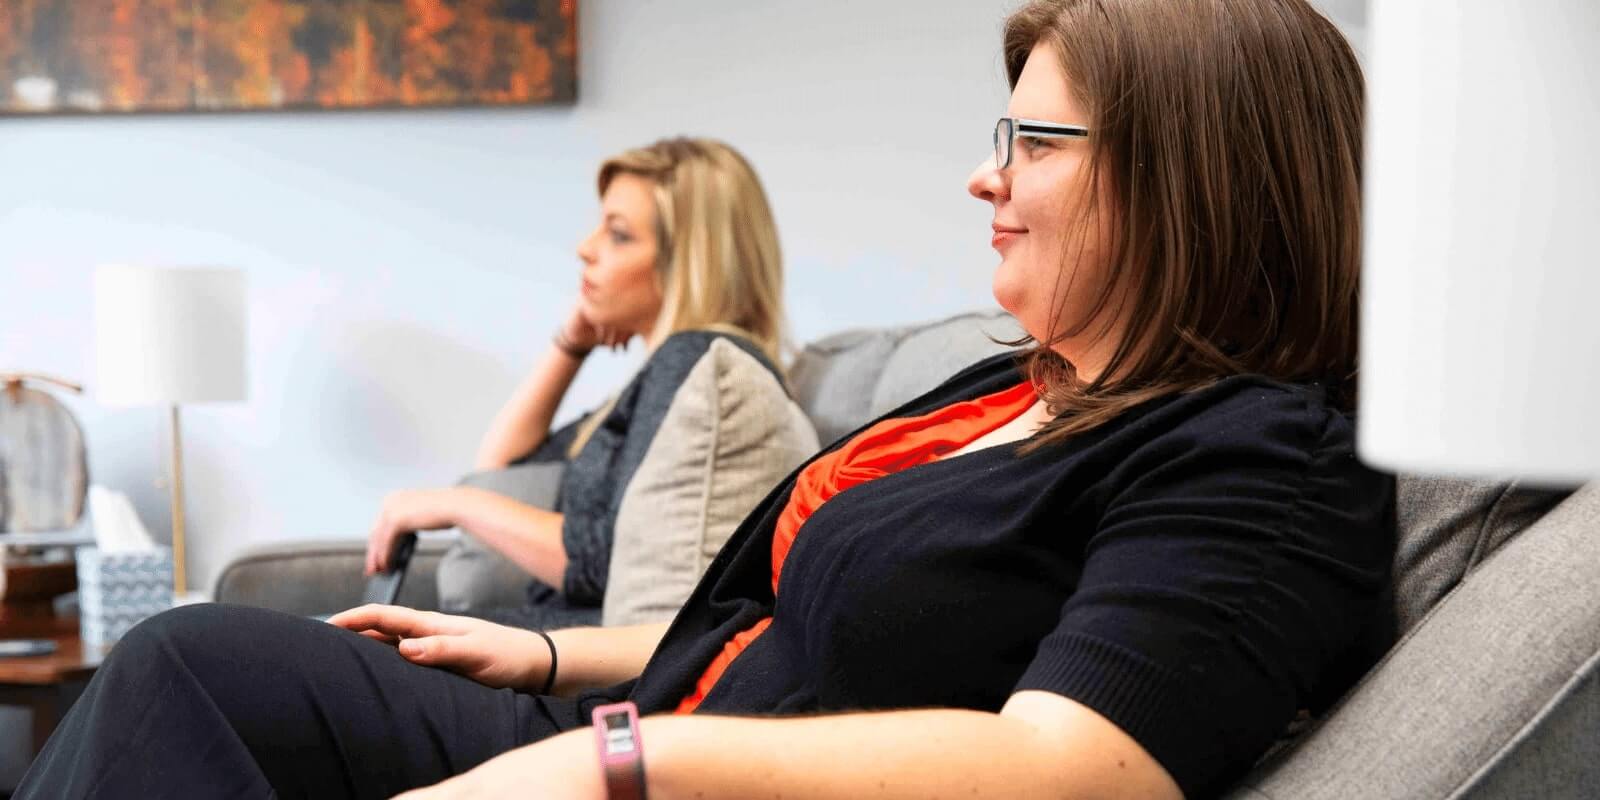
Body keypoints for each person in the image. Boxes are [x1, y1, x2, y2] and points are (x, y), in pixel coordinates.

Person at [17, 1, 1391, 797]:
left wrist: (621, 759)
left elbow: (1073, 771)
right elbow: (785, 616)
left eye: (1032, 145)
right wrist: (555, 659)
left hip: (673, 771)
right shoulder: (1013, 387)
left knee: (185, 676)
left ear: (1192, 181)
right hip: (635, 715)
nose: (985, 180)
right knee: (194, 651)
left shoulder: (1257, 460)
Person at [362, 137, 815, 629]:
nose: (585, 248)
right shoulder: (673, 374)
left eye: (618, 235)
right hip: (538, 637)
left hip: (557, 656)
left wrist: (456, 503)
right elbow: (504, 473)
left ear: (685, 263)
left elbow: (604, 563)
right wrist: (570, 346)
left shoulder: (694, 360)